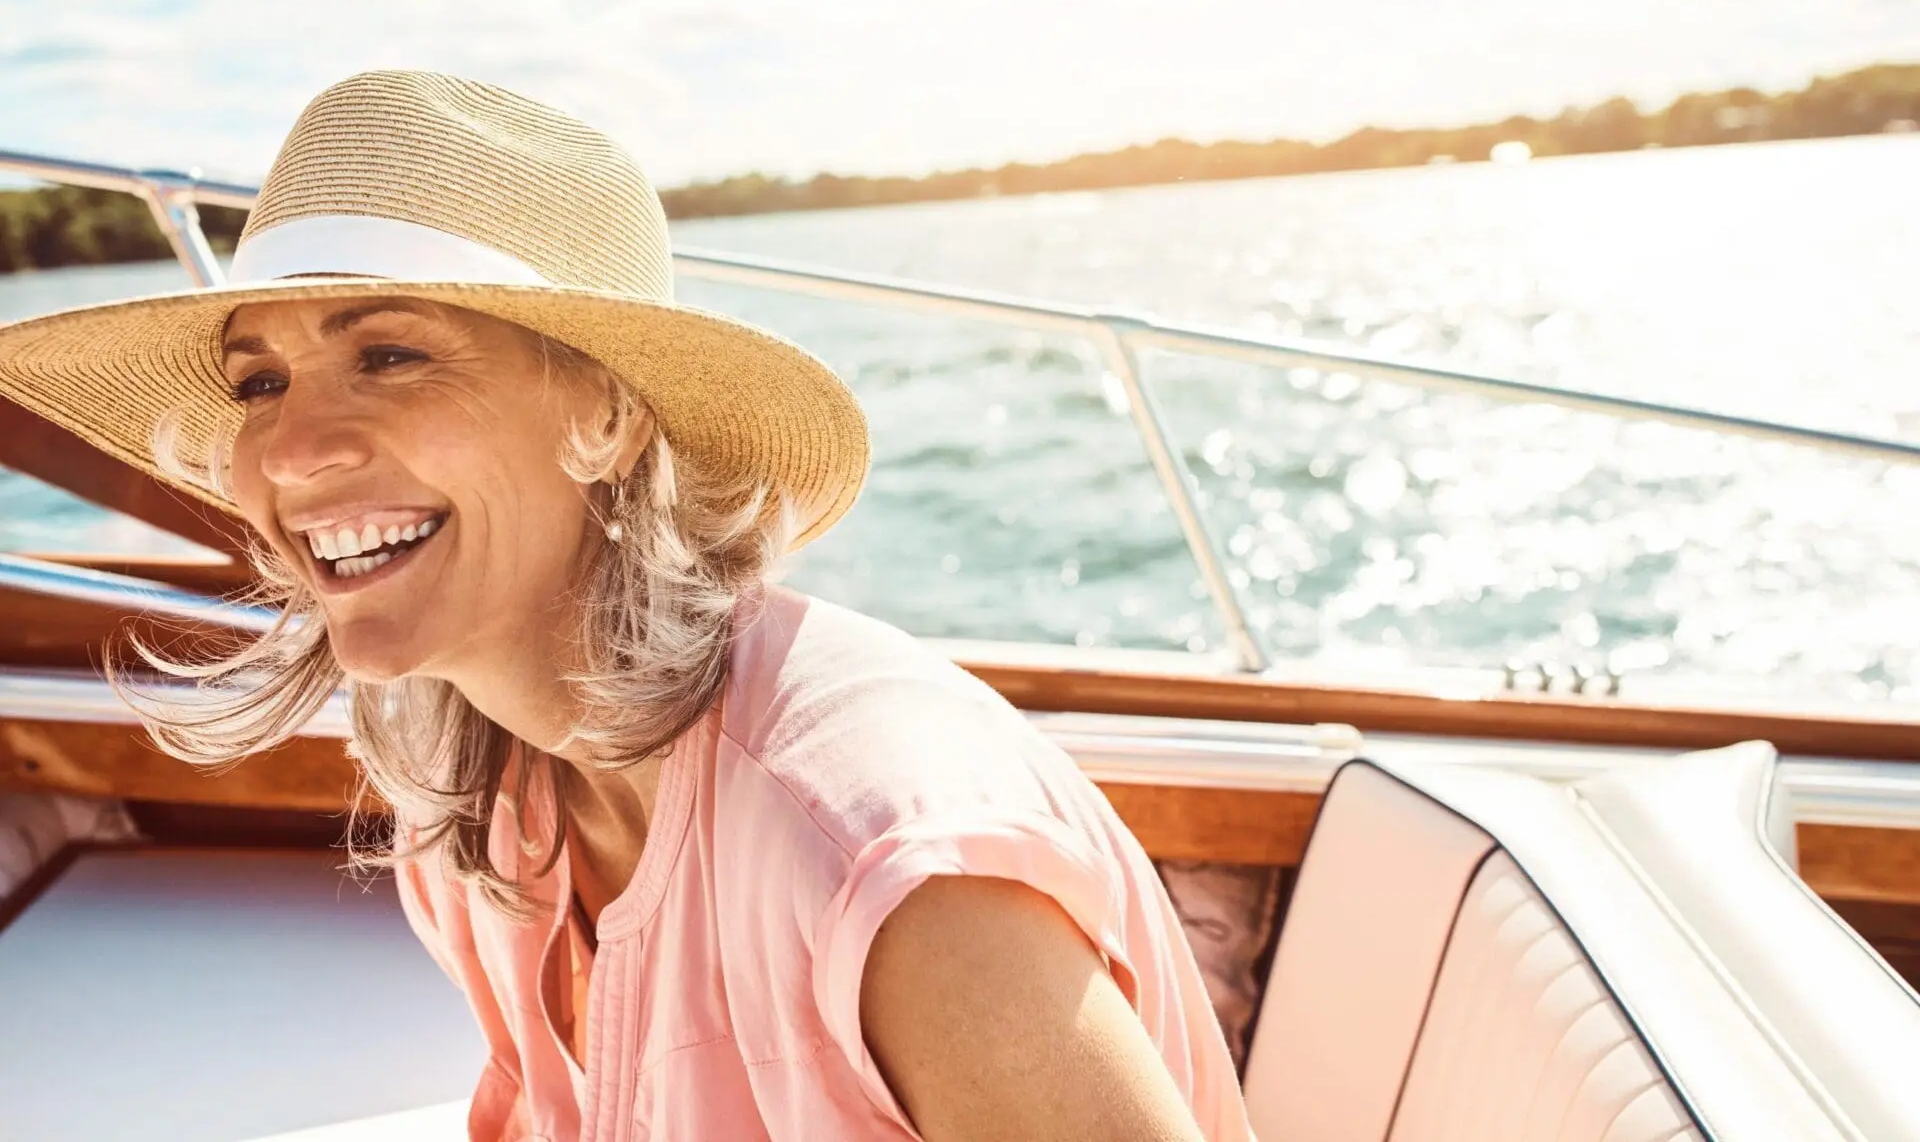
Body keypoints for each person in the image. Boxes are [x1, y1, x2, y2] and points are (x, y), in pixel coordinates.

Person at [0, 71, 1254, 1142]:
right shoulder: (478, 804)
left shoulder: (880, 851)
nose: (289, 451)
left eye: (389, 353)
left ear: (605, 416)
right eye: (260, 380)